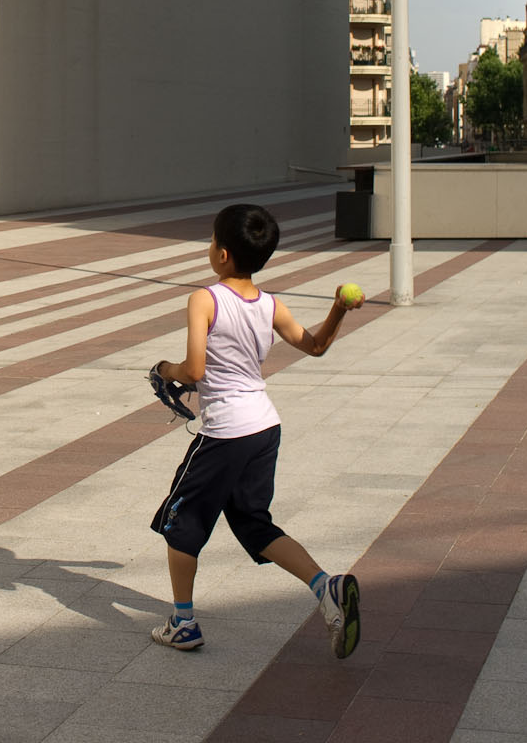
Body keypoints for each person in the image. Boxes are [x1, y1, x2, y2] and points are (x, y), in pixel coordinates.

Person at [146, 203, 364, 658]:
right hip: (264, 427)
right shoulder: (270, 305)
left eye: (210, 241)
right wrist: (339, 307)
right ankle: (326, 587)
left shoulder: (204, 299)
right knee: (251, 521)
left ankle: (183, 622)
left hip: (225, 432)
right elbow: (317, 345)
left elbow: (194, 370)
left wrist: (163, 368)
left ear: (222, 254)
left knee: (180, 521)